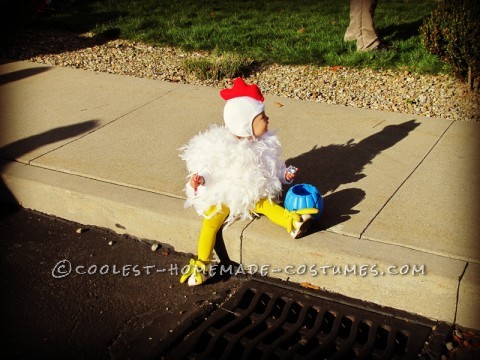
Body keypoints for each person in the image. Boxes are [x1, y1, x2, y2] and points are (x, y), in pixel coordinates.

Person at [179, 78, 318, 286]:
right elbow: (209, 169)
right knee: (210, 222)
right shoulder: (221, 147)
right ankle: (202, 264)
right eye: (261, 117)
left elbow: (271, 167)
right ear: (246, 124)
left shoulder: (263, 143)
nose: (267, 119)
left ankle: (294, 222)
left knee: (267, 205)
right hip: (224, 193)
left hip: (251, 189)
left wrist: (284, 174)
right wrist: (200, 180)